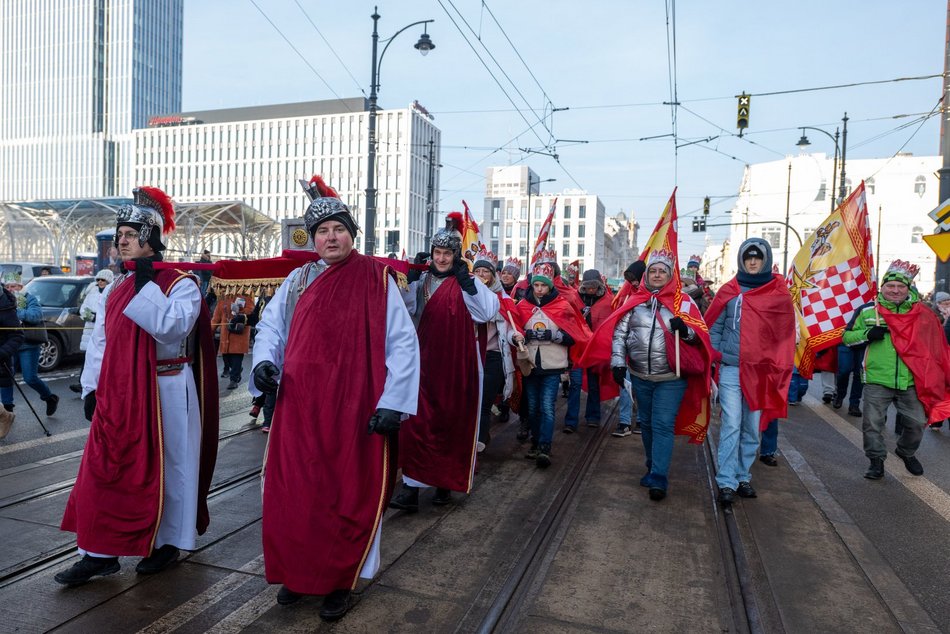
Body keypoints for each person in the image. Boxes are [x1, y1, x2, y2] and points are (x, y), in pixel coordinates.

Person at [251, 176, 419, 619]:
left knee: (348, 492)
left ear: (352, 233)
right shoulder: (298, 279)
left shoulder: (377, 278)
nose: (331, 237)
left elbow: (403, 343)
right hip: (300, 406)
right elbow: (271, 327)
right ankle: (299, 572)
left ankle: (341, 580)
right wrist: (264, 362)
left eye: (338, 229)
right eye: (323, 231)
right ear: (314, 239)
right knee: (296, 491)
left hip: (355, 405)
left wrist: (393, 403)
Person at [57, 186, 219, 585]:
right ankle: (98, 551)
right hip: (120, 392)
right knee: (105, 468)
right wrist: (91, 386)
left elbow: (171, 327)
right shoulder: (114, 285)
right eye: (120, 235)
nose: (121, 242)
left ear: (150, 239)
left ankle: (167, 542)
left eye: (130, 234)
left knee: (172, 466)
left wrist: (148, 285)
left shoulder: (179, 283)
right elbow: (102, 341)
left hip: (167, 389)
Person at [390, 213, 498, 510]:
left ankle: (443, 483)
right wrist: (406, 282)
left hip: (454, 366)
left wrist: (468, 284)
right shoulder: (422, 280)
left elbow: (487, 312)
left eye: (446, 253)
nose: (440, 258)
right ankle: (411, 489)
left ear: (454, 255)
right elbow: (404, 309)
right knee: (415, 425)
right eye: (437, 253)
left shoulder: (468, 281)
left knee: (450, 424)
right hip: (421, 364)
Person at [602, 249, 713, 501]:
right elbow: (619, 335)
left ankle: (659, 476)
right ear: (646, 276)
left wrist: (685, 331)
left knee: (663, 424)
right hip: (640, 375)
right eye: (653, 271)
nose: (657, 274)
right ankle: (653, 465)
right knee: (648, 423)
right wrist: (618, 363)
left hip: (671, 378)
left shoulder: (683, 302)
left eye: (662, 271)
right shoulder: (634, 300)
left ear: (670, 275)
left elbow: (700, 337)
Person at [842, 260, 950, 479]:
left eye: (901, 286)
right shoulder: (867, 311)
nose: (895, 290)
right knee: (872, 424)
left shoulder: (922, 313)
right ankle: (876, 461)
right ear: (882, 287)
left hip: (910, 379)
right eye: (890, 286)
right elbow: (846, 338)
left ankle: (905, 451)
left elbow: (935, 345)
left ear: (908, 288)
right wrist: (867, 335)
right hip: (876, 378)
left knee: (917, 423)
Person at [706, 238, 794, 506]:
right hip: (733, 369)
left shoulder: (778, 292)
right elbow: (715, 326)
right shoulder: (730, 290)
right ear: (742, 260)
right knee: (732, 423)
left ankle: (743, 475)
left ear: (765, 259)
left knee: (752, 428)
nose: (753, 262)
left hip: (762, 372)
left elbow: (784, 333)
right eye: (748, 257)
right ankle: (726, 481)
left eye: (757, 257)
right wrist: (719, 353)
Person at [512, 249, 591, 468]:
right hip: (530, 364)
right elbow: (513, 331)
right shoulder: (522, 306)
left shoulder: (563, 306)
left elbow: (574, 335)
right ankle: (536, 442)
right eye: (536, 285)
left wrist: (555, 335)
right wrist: (520, 335)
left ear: (550, 286)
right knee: (534, 406)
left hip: (553, 365)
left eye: (543, 285)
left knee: (547, 406)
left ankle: (545, 447)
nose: (539, 289)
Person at [471, 247, 520, 451]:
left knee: (483, 402)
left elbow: (509, 328)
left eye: (486, 271)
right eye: (478, 271)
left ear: (493, 275)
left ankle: (479, 444)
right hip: (470, 355)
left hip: (493, 356)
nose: (481, 275)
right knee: (470, 402)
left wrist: (515, 337)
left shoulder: (504, 299)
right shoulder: (466, 295)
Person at [565, 269, 615, 433]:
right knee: (575, 384)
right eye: (587, 286)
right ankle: (570, 421)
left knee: (594, 384)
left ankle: (593, 416)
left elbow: (609, 325)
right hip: (578, 349)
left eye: (594, 286)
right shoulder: (575, 298)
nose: (591, 290)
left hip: (596, 349)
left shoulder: (608, 301)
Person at [2, 272, 59, 416]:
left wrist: (15, 313)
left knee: (30, 377)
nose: (10, 289)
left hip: (28, 344)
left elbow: (35, 316)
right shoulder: (4, 300)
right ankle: (8, 409)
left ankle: (49, 397)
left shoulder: (29, 298)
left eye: (13, 286)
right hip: (10, 343)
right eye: (7, 286)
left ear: (20, 286)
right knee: (6, 376)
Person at [70, 270, 116, 395]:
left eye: (103, 280)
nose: (100, 282)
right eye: (98, 280)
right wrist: (90, 316)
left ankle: (103, 383)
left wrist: (100, 317)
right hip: (90, 329)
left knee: (102, 359)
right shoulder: (92, 293)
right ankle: (82, 383)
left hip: (103, 330)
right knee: (88, 358)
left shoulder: (112, 293)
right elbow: (83, 309)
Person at [212, 293, 254, 389]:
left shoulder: (245, 298)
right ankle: (237, 370)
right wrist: (210, 331)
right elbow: (215, 319)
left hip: (239, 335)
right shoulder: (222, 300)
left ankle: (234, 380)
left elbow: (251, 311)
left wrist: (242, 314)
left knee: (236, 359)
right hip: (225, 336)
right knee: (227, 359)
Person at [0, 284, 23, 440]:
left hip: (0, 356)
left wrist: (1, 353)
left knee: (31, 378)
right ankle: (4, 414)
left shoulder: (5, 307)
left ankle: (5, 415)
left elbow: (17, 336)